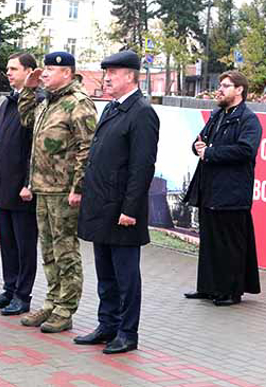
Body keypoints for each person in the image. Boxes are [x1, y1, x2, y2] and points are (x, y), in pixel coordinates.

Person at [73, 50, 159, 355]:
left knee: (126, 276)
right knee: (106, 275)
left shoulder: (142, 112)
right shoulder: (112, 108)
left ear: (130, 76)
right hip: (101, 207)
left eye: (113, 72)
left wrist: (130, 209)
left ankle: (127, 332)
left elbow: (142, 166)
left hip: (122, 211)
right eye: (106, 72)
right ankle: (106, 324)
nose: (107, 77)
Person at [17, 51, 97, 333]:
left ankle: (66, 309)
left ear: (67, 73)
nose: (46, 73)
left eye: (51, 69)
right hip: (44, 187)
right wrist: (29, 88)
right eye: (45, 68)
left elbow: (87, 148)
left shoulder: (78, 103)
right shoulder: (47, 102)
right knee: (49, 250)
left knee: (66, 251)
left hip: (64, 190)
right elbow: (26, 120)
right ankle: (52, 301)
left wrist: (79, 187)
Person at [183, 71, 262, 307]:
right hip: (209, 189)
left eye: (226, 86)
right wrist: (197, 147)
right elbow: (201, 141)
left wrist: (211, 152)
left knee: (230, 244)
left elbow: (246, 150)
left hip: (232, 192)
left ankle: (231, 291)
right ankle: (208, 287)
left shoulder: (248, 119)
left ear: (239, 90)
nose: (220, 89)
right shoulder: (217, 115)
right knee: (209, 242)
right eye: (220, 85)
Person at [0, 54, 39, 314]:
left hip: (23, 189)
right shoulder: (7, 103)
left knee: (24, 243)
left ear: (29, 71)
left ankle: (22, 295)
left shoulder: (37, 103)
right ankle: (9, 289)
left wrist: (29, 183)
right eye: (7, 69)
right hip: (3, 185)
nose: (9, 73)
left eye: (14, 68)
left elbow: (36, 150)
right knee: (7, 241)